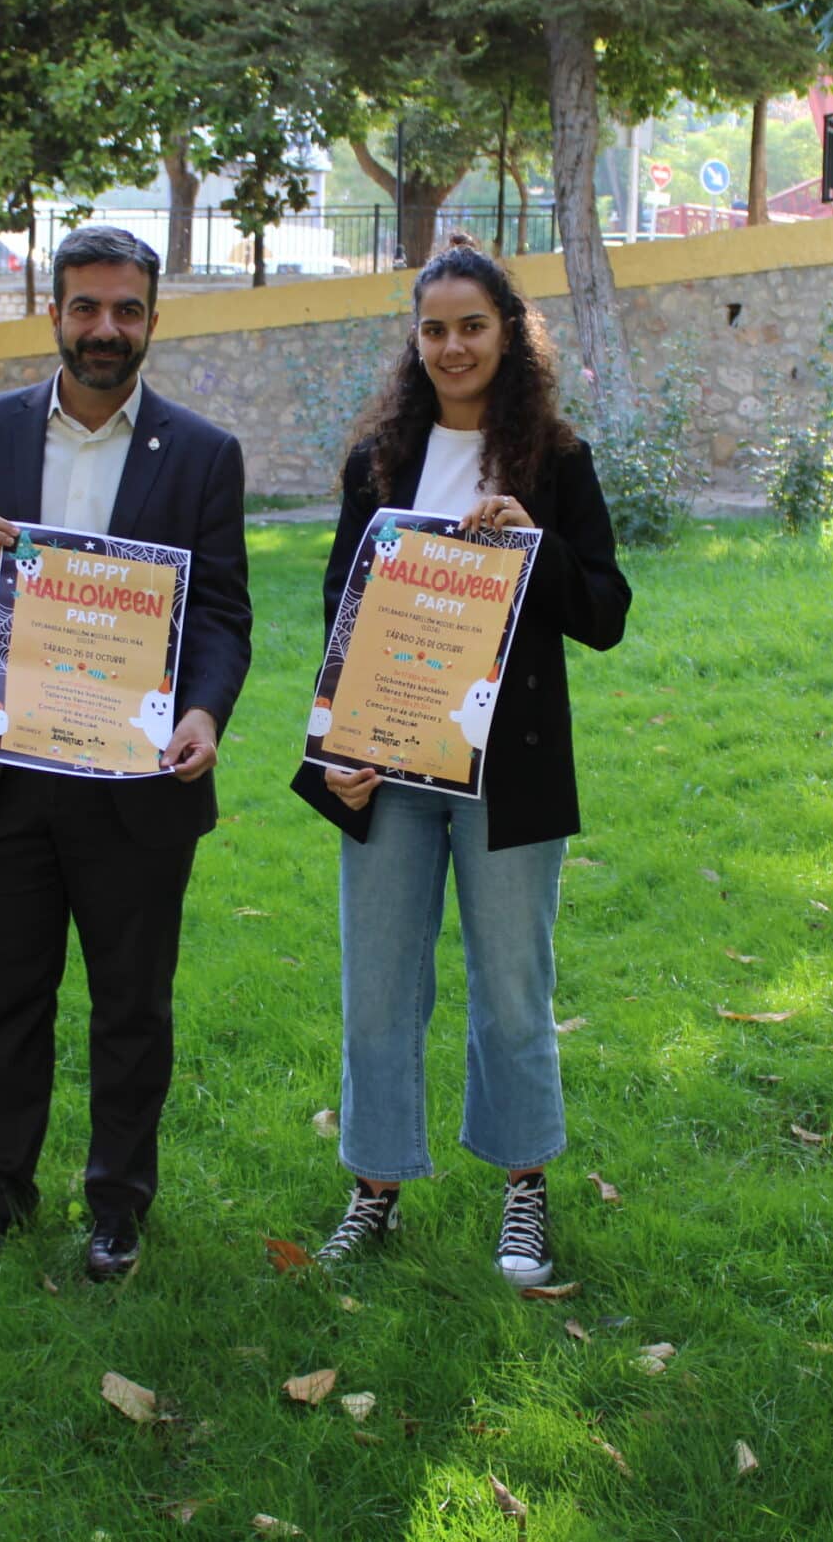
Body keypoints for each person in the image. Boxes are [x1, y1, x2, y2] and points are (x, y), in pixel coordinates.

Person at [0, 225, 252, 1281]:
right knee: (6, 1004)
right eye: (87, 307)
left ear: (152, 319)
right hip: (0, 778)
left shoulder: (202, 452)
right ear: (52, 313)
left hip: (135, 783)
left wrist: (204, 712)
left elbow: (222, 612)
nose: (107, 328)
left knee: (132, 1008)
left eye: (127, 309)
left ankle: (116, 1209)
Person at [288, 232, 630, 1285]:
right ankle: (375, 1187)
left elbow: (605, 613)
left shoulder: (556, 460)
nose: (451, 347)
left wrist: (535, 543)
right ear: (415, 340)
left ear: (510, 333)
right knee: (378, 989)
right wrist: (333, 749)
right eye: (432, 329)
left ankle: (523, 1188)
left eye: (472, 326)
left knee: (513, 989)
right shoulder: (380, 461)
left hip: (507, 770)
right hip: (387, 763)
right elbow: (343, 610)